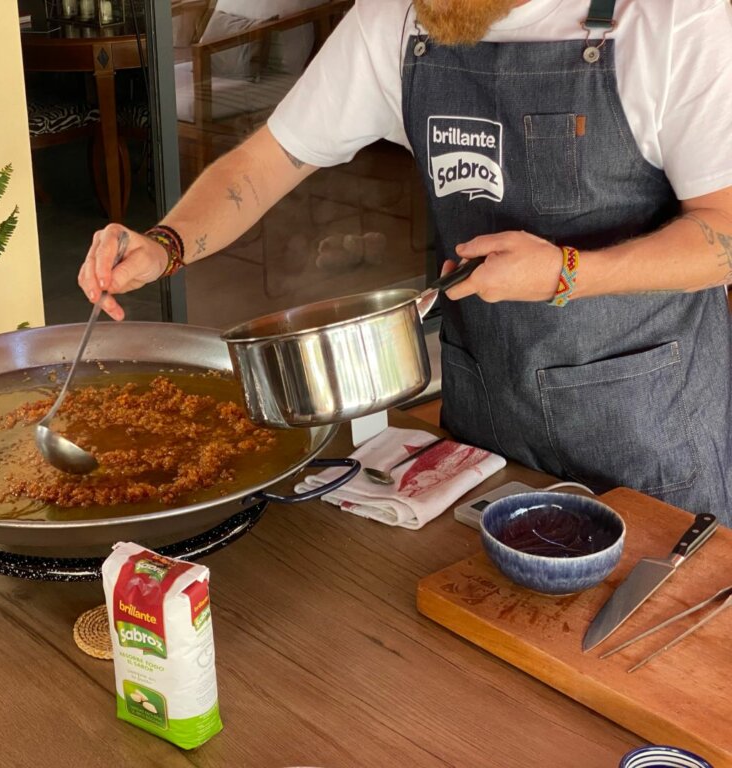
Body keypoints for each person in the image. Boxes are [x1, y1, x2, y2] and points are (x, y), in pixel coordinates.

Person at [77, 0, 732, 524]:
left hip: (648, 440)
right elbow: (270, 158)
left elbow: (724, 233)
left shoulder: (677, 20)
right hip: (487, 431)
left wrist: (568, 272)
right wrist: (167, 244)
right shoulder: (395, 18)